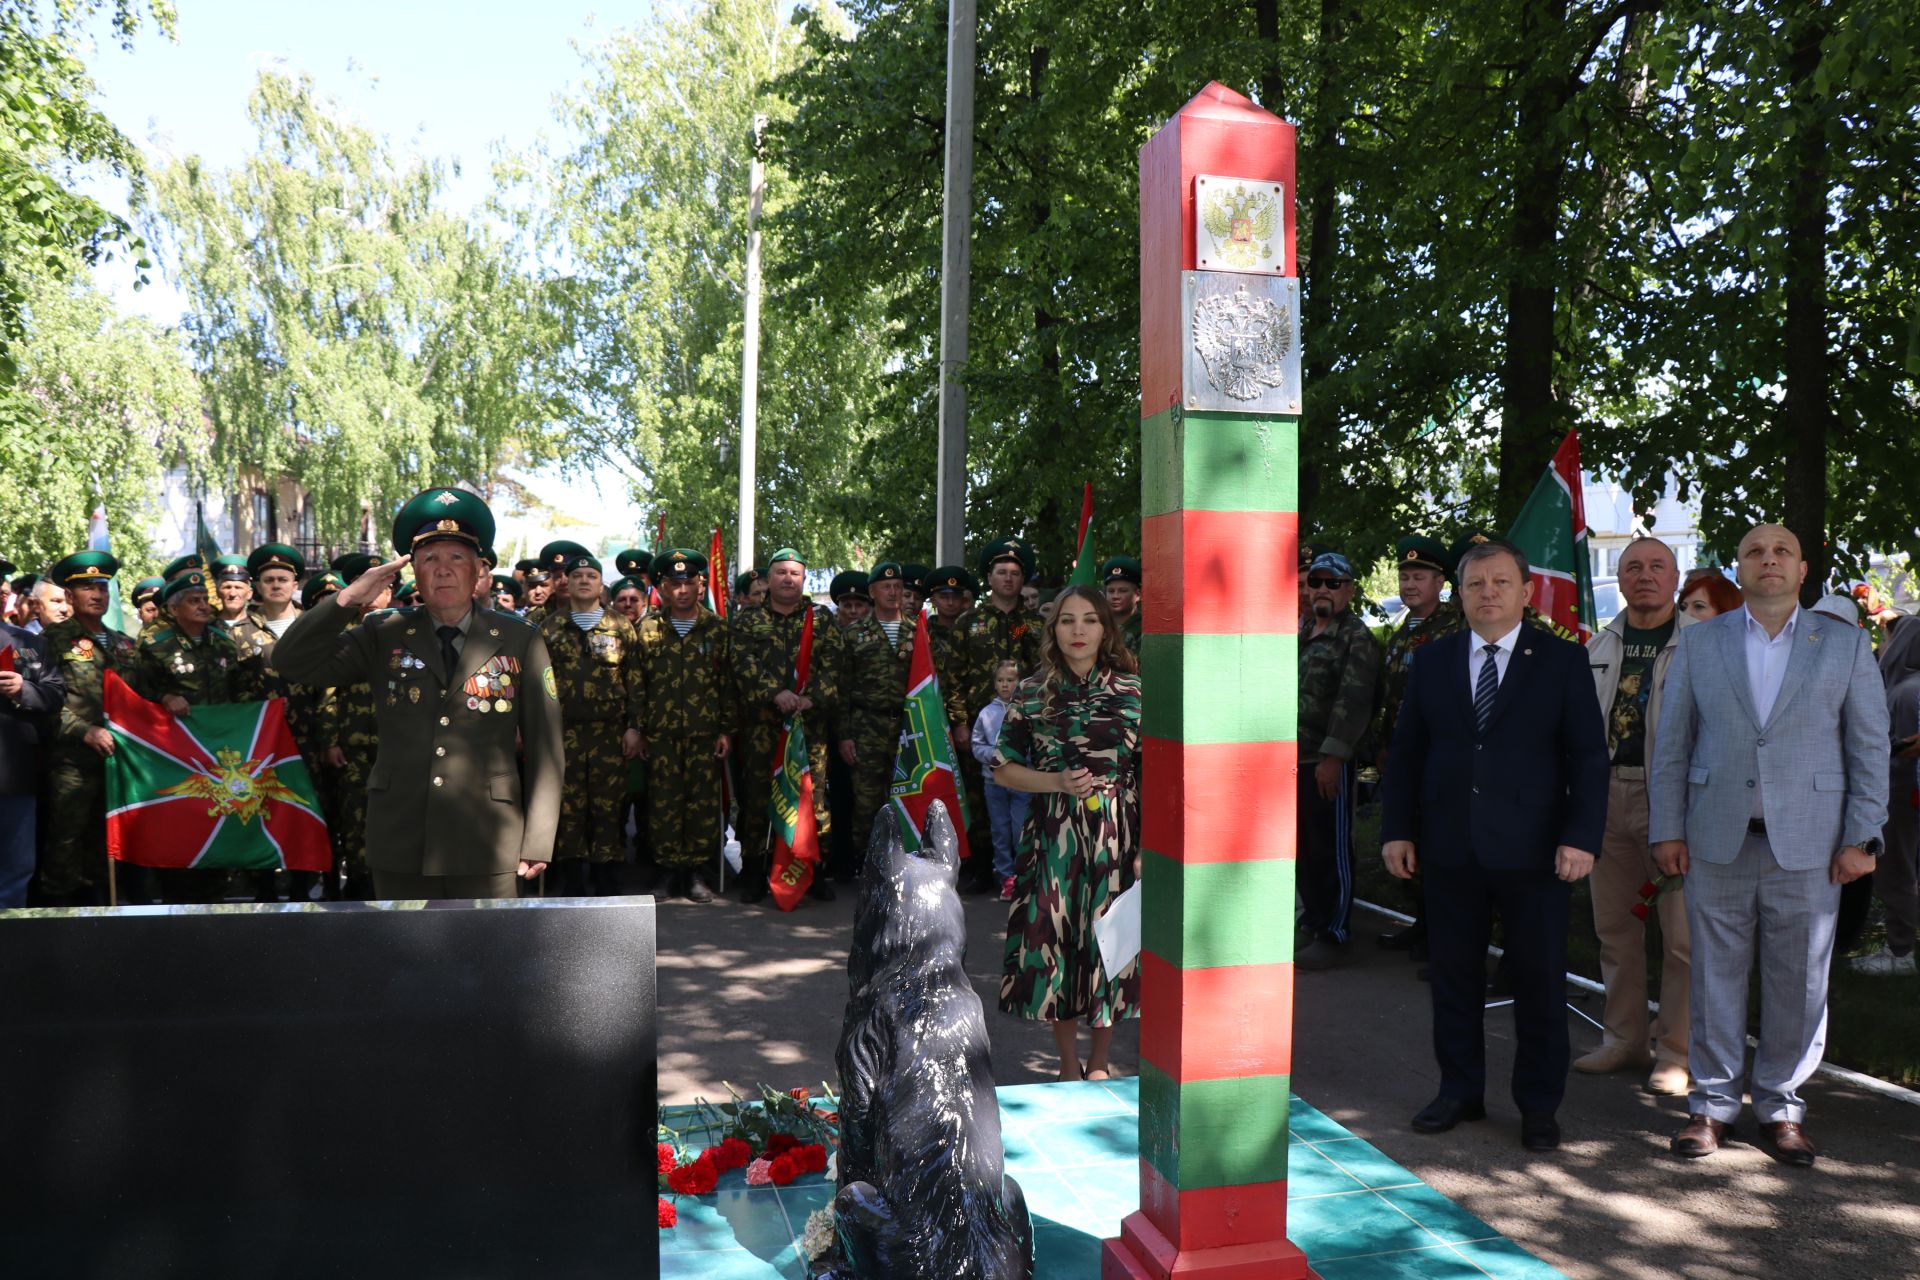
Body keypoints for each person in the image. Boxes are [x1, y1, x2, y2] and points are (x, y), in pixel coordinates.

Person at [1651, 523, 1888, 1167]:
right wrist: (1666, 828)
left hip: (1810, 846)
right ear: (1740, 570)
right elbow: (1672, 745)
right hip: (1714, 839)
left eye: (1782, 550)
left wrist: (1863, 837)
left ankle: (1781, 1106)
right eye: (1755, 551)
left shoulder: (1842, 644)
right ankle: (1712, 1109)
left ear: (1803, 569)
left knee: (1799, 982)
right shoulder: (1701, 643)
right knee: (1714, 977)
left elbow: (1868, 746)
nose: (1769, 560)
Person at [1381, 537, 1608, 1152]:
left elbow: (1587, 756)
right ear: (1461, 592)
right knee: (1453, 978)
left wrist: (1581, 836)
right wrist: (1397, 828)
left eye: (1501, 583)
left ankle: (1538, 1106)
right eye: (1477, 584)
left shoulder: (1561, 661)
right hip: (1450, 846)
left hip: (1537, 853)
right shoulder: (1434, 660)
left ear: (1526, 592)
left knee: (1539, 981)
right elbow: (1406, 754)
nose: (1488, 594)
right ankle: (1460, 1091)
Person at [274, 487, 565, 900]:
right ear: (414, 573)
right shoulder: (384, 632)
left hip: (489, 839)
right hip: (401, 838)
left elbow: (546, 746)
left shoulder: (519, 639)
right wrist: (348, 598)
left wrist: (538, 837)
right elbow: (291, 661)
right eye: (429, 559)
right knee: (405, 957)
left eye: (456, 558)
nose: (442, 570)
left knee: (489, 957)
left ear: (479, 571)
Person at [992, 585, 1141, 1081]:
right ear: (1053, 630)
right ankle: (1067, 1065)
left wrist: (1150, 848)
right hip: (1053, 834)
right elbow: (1003, 769)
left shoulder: (1134, 691)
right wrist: (1055, 780)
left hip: (1117, 836)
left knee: (1110, 943)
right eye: (1067, 620)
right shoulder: (1033, 691)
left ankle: (1100, 1063)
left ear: (1106, 628)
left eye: (1090, 620)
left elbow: (1156, 774)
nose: (1078, 630)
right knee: (1056, 943)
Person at [1578, 536, 1695, 1096]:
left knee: (1681, 940)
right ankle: (1624, 1039)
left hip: (1674, 805)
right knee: (1616, 928)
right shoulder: (1597, 646)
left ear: (1677, 578)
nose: (1645, 575)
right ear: (1620, 581)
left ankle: (1676, 1052)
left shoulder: (1704, 645)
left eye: (1657, 566)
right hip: (1606, 799)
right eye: (1633, 568)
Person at [728, 548, 844, 904]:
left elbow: (835, 666)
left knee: (812, 799)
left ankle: (813, 871)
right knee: (759, 800)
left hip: (808, 729)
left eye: (795, 573)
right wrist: (773, 693)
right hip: (763, 728)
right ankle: (753, 871)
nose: (788, 579)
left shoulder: (820, 619)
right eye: (780, 572)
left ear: (803, 579)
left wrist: (812, 699)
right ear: (768, 579)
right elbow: (741, 664)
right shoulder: (749, 620)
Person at [37, 552, 144, 906]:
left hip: (118, 763)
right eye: (86, 588)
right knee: (65, 843)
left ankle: (102, 916)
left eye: (102, 587)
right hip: (71, 764)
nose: (97, 594)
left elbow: (143, 697)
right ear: (69, 596)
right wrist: (83, 730)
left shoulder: (124, 644)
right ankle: (56, 919)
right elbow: (43, 699)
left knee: (107, 842)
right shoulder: (52, 640)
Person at [1372, 535, 1461, 957]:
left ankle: (1446, 936)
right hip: (1405, 756)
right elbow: (1391, 698)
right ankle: (1423, 924)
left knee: (1441, 845)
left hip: (1441, 757)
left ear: (1441, 582)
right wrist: (1385, 744)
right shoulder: (1401, 632)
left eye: (1419, 576)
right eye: (1405, 577)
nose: (1409, 585)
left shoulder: (1456, 626)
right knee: (1410, 838)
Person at [539, 548, 644, 897]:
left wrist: (634, 727)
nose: (584, 581)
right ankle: (570, 878)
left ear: (601, 586)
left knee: (608, 806)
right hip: (563, 733)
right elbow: (538, 683)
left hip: (609, 733)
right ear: (567, 583)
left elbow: (635, 680)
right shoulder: (550, 627)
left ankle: (606, 877)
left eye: (592, 577)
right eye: (578, 577)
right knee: (567, 806)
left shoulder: (620, 626)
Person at [1295, 550, 1382, 970]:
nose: (1323, 590)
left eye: (1334, 583)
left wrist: (1333, 758)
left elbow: (1355, 700)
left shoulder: (1355, 636)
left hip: (1326, 762)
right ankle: (1312, 920)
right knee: (1302, 848)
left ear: (1349, 590)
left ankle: (1336, 932)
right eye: (1316, 582)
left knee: (1331, 849)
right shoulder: (1302, 631)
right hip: (1293, 759)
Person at [634, 549, 732, 902]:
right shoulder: (647, 629)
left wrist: (725, 729)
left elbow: (727, 684)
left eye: (689, 582)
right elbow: (637, 683)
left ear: (700, 586)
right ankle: (666, 873)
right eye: (674, 584)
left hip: (704, 733)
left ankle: (694, 874)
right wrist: (639, 728)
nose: (682, 590)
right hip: (660, 734)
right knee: (662, 805)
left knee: (701, 806)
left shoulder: (718, 629)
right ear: (662, 587)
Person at [838, 561, 915, 877]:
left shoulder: (917, 631)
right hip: (866, 726)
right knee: (867, 800)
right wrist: (845, 734)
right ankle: (868, 864)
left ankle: (905, 862)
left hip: (908, 727)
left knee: (906, 794)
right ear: (872, 592)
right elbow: (842, 688)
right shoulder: (854, 634)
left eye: (898, 586)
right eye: (886, 587)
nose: (894, 592)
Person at [1855, 611, 1920, 976]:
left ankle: (1900, 952)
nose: (1883, 647)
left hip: (1901, 792)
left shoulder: (1906, 692)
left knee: (1896, 872)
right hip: (1903, 791)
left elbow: (1901, 748)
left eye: (1889, 640)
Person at [0, 610, 62, 908]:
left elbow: (55, 692)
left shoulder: (30, 642)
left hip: (16, 776)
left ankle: (9, 946)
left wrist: (22, 689)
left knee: (15, 872)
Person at [973, 660, 1029, 901]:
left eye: (1011, 680)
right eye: (1001, 680)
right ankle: (1006, 878)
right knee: (1000, 830)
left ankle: (1023, 875)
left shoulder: (1027, 710)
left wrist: (1019, 758)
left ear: (1019, 682)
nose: (1005, 685)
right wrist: (993, 756)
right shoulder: (986, 713)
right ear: (994, 683)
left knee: (1020, 829)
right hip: (994, 783)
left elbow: (1035, 744)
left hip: (1022, 782)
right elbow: (977, 745)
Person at [1099, 556, 1142, 653]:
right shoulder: (1098, 625)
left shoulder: (1145, 630)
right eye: (1111, 591)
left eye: (1122, 591)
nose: (1115, 596)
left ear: (1138, 594)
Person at [210, 554, 254, 626]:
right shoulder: (204, 630)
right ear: (217, 592)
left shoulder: (263, 631)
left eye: (238, 588)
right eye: (227, 587)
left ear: (249, 593)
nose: (232, 594)